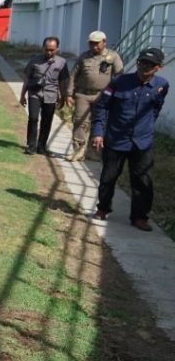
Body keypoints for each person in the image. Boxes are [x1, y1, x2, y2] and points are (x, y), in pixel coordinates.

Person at [91, 48, 168, 231]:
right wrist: (98, 132)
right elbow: (101, 107)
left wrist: (147, 127)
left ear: (158, 67)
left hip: (142, 142)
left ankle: (140, 217)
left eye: (149, 64)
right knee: (108, 177)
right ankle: (103, 209)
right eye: (142, 62)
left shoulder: (162, 86)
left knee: (143, 181)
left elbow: (155, 109)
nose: (144, 67)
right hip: (116, 139)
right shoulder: (119, 82)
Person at [67, 30, 123, 161]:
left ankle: (93, 152)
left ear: (104, 42)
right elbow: (73, 75)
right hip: (83, 94)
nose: (94, 46)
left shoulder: (113, 56)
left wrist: (115, 95)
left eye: (97, 43)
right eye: (91, 43)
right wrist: (69, 94)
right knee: (79, 121)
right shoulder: (84, 57)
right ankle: (78, 150)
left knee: (99, 122)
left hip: (103, 96)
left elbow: (119, 76)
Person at [19, 37, 70, 156]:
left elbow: (63, 81)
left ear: (57, 49)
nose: (49, 52)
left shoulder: (62, 62)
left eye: (52, 50)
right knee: (33, 118)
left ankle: (42, 147)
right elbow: (27, 79)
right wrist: (22, 95)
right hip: (34, 94)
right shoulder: (34, 60)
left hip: (51, 95)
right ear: (42, 48)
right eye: (46, 49)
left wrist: (63, 97)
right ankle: (31, 145)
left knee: (46, 121)